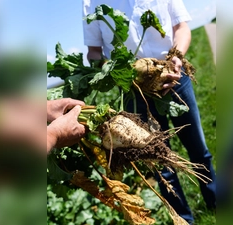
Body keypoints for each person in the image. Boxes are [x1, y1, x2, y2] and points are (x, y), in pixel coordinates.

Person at [82, 0, 216, 222]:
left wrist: (177, 58)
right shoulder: (90, 4)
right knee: (159, 160)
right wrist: (111, 71)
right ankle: (184, 219)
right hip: (134, 92)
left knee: (198, 149)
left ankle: (216, 202)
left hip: (173, 76)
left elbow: (181, 28)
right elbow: (94, 52)